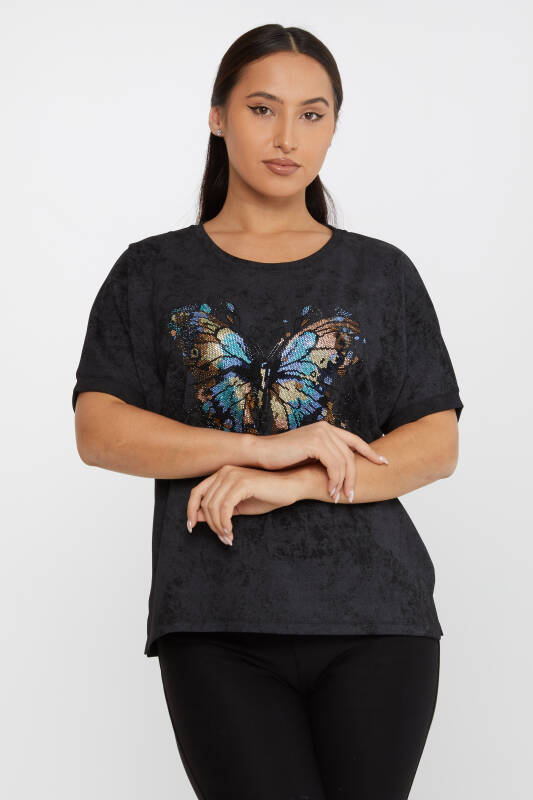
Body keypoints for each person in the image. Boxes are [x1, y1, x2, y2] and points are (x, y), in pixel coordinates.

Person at [72, 23, 464, 800]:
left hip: (378, 619)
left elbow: (435, 443)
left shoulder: (380, 273)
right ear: (217, 116)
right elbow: (99, 429)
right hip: (214, 620)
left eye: (312, 114)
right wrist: (263, 448)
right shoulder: (151, 270)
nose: (287, 136)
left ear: (332, 128)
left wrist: (298, 481)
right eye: (262, 108)